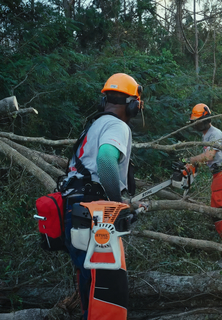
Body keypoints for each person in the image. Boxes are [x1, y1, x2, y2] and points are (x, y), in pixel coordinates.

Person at [61, 73, 143, 320]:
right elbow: (106, 161)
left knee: (90, 284)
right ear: (133, 104)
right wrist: (118, 205)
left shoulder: (96, 124)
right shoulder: (117, 125)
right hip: (94, 214)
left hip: (75, 210)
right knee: (107, 292)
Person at [187, 103, 222, 245]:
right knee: (219, 212)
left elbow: (209, 156)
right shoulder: (207, 135)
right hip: (218, 175)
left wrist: (190, 160)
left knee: (221, 212)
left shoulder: (214, 134)